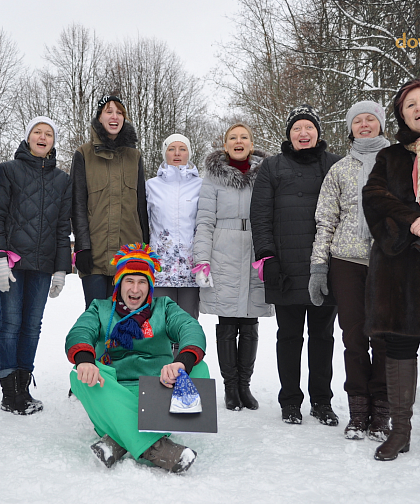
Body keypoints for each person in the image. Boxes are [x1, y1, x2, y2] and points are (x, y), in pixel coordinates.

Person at [66, 243, 209, 473]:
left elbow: (190, 328)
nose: (135, 288)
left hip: (158, 390)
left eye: (142, 281)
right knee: (80, 375)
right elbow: (80, 332)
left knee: (198, 367)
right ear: (119, 284)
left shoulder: (163, 308)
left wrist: (180, 362)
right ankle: (155, 447)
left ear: (150, 287)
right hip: (114, 392)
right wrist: (85, 360)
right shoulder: (100, 309)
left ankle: (119, 439)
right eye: (129, 281)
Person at [251, 105, 341, 425]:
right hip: (285, 269)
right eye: (297, 129)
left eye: (309, 128)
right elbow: (260, 217)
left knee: (322, 337)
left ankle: (322, 401)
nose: (303, 134)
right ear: (288, 134)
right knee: (289, 337)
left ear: (318, 132)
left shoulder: (335, 165)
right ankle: (290, 401)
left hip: (325, 266)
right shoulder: (272, 167)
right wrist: (268, 257)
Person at [310, 101, 390, 440]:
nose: (365, 124)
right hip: (347, 262)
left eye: (371, 118)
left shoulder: (401, 163)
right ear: (350, 127)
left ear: (381, 124)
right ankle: (358, 412)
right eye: (358, 120)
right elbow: (325, 221)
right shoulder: (339, 170)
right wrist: (318, 266)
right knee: (354, 338)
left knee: (385, 338)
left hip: (390, 261)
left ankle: (383, 414)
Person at [0, 116, 72, 415]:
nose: (43, 136)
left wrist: (61, 268)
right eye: (37, 131)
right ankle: (8, 391)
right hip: (11, 262)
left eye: (48, 133)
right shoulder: (8, 171)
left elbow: (63, 227)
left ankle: (23, 386)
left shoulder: (63, 180)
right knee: (10, 324)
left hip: (43, 265)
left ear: (53, 141)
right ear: (27, 137)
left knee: (32, 327)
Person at [193, 123, 274, 411]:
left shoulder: (266, 173)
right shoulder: (213, 178)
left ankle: (245, 385)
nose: (238, 142)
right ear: (225, 144)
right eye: (232, 138)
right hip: (222, 252)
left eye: (244, 137)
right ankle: (230, 387)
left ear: (252, 144)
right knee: (227, 322)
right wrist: (202, 259)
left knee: (250, 321)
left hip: (256, 249)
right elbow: (204, 221)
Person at [362, 78, 420, 461]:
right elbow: (373, 198)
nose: (417, 108)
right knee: (400, 346)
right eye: (410, 104)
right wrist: (411, 223)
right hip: (401, 268)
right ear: (402, 114)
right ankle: (400, 431)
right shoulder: (390, 157)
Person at [71, 95, 149, 308]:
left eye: (119, 112)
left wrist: (145, 249)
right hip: (94, 256)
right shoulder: (83, 154)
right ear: (99, 117)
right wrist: (82, 247)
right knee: (97, 320)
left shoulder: (135, 156)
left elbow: (141, 207)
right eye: (109, 111)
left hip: (129, 256)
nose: (114, 116)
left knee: (127, 322)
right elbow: (77, 204)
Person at [146, 133, 202, 319]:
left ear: (189, 153)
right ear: (165, 153)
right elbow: (143, 223)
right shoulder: (151, 186)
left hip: (191, 269)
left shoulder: (200, 185)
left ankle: (187, 350)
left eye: (182, 149)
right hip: (160, 268)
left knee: (187, 324)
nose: (177, 153)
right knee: (162, 323)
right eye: (171, 149)